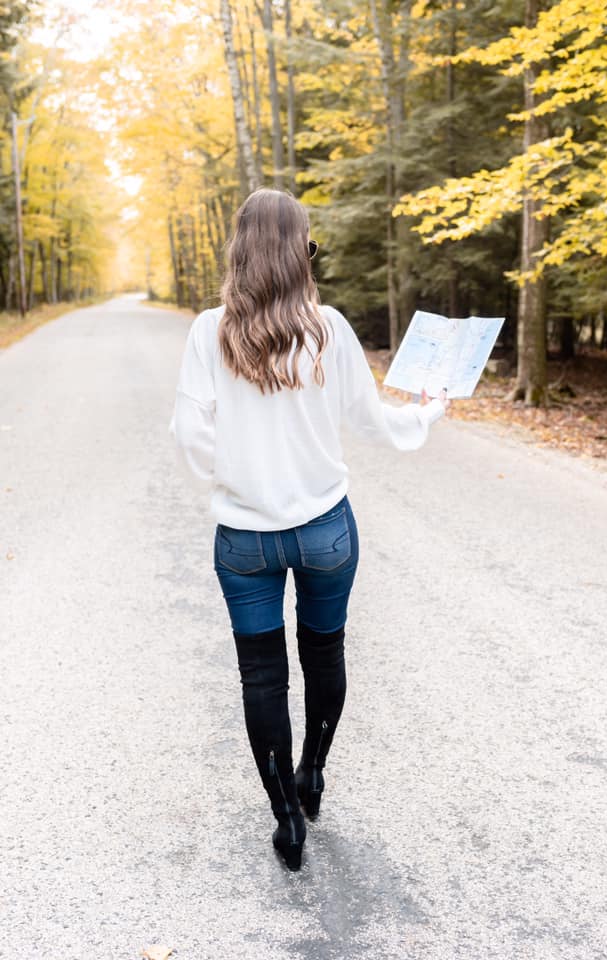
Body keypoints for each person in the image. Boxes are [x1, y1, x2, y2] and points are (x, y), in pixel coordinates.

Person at [169, 187, 450, 871]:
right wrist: (429, 412)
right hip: (327, 529)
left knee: (261, 679)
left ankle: (287, 820)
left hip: (243, 540)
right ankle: (313, 773)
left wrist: (237, 476)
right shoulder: (329, 329)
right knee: (324, 655)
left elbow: (189, 432)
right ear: (302, 252)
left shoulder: (210, 330)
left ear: (239, 251)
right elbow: (375, 423)